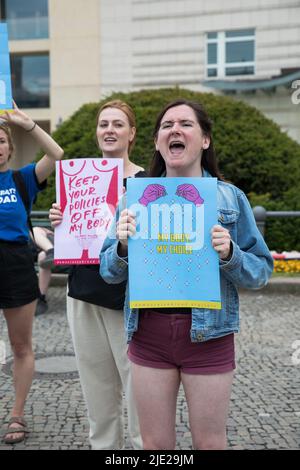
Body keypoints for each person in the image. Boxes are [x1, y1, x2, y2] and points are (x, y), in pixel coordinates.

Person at [100, 99, 274, 450]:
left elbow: (260, 272)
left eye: (186, 124)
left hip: (209, 337)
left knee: (210, 442)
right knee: (155, 445)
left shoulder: (229, 198)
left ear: (205, 140)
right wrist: (121, 247)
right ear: (157, 142)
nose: (175, 130)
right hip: (149, 336)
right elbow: (108, 273)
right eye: (167, 125)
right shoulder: (132, 200)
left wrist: (230, 254)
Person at [49, 100, 145, 450]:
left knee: (138, 389)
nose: (109, 130)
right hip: (83, 292)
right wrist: (61, 220)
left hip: (129, 298)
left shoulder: (147, 181)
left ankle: (141, 450)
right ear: (96, 132)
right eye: (104, 124)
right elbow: (71, 236)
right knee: (96, 389)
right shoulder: (78, 178)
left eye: (118, 124)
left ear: (131, 133)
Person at [0, 103, 64, 444]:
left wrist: (27, 124)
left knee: (20, 345)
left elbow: (55, 153)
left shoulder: (21, 178)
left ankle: (16, 415)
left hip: (14, 263)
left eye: (0, 141)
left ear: (9, 147)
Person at [32, 226, 54, 316]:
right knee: (42, 256)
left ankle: (41, 297)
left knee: (35, 230)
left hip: (62, 244)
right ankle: (51, 252)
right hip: (38, 249)